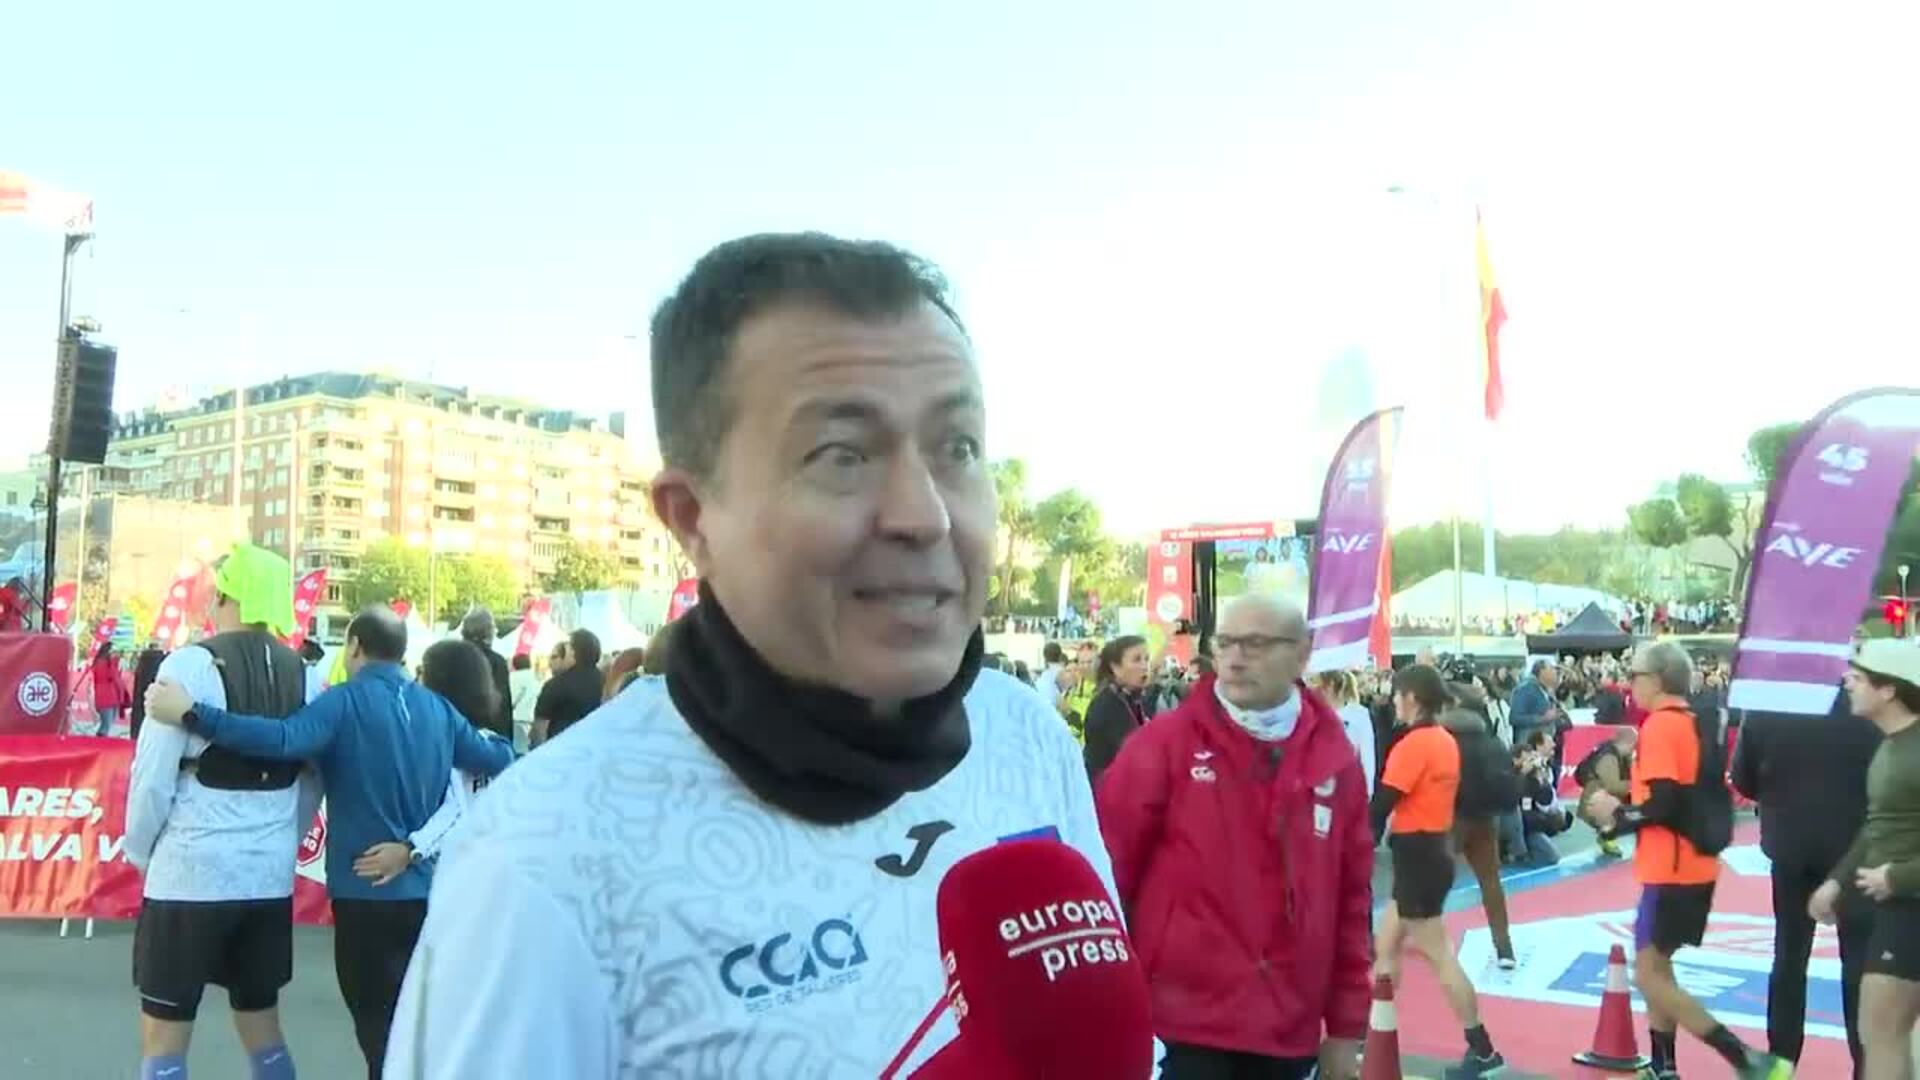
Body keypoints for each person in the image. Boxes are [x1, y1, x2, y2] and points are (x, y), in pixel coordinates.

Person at [383, 232, 1124, 1077]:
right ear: (693, 518)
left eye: (957, 447)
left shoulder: (1023, 736)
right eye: (843, 456)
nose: (925, 515)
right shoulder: (540, 857)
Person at [145, 606, 515, 1080]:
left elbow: (281, 738)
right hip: (426, 896)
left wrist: (194, 714)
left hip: (364, 895)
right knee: (419, 1029)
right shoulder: (438, 710)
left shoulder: (343, 702)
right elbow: (498, 757)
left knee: (378, 1032)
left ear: (354, 646)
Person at [1100, 594, 1371, 1079]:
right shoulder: (1163, 745)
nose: (1235, 658)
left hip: (1288, 1028)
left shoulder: (1335, 758)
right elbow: (1107, 874)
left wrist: (1346, 1029)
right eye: (1225, 643)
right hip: (1181, 1029)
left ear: (1302, 654)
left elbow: (1352, 901)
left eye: (1256, 644)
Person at [124, 544, 316, 1080]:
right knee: (263, 1026)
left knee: (165, 1036)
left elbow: (152, 776)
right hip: (266, 878)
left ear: (228, 597)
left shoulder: (188, 665)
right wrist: (283, 841)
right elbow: (312, 779)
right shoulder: (306, 675)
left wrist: (140, 850)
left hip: (189, 874)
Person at [1586, 641, 1790, 1079]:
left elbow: (1663, 804)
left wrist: (1616, 816)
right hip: (1689, 864)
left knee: (1648, 974)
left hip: (1671, 869)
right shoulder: (1688, 721)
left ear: (1658, 680)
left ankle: (1745, 1058)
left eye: (1635, 674)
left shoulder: (1662, 727)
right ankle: (1664, 1066)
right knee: (1659, 968)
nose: (1629, 684)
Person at [1735, 678, 1877, 1076]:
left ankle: (1781, 1062)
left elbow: (1743, 778)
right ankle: (1865, 1065)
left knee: (1788, 957)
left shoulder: (1770, 702)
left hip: (1791, 846)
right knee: (1858, 964)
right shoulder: (1867, 703)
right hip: (1856, 846)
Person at [1371, 666, 1506, 1079]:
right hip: (1431, 850)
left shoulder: (1414, 745)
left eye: (1398, 695)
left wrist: (1351, 843)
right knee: (1386, 946)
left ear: (1411, 697)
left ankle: (1482, 1048)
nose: (1394, 701)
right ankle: (1373, 1033)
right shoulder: (1444, 740)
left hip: (1419, 853)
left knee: (1438, 953)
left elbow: (1382, 804)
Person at [1813, 640, 1920, 1080]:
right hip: (1896, 907)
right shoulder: (1891, 746)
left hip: (1909, 909)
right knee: (1885, 1032)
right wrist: (1837, 882)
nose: (1846, 683)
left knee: (1881, 1030)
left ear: (1889, 689)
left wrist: (1899, 877)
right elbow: (1877, 826)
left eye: (1858, 677)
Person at [1081, 634, 1149, 786]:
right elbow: (1132, 753)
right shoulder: (1106, 704)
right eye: (1137, 660)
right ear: (1115, 668)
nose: (1144, 666)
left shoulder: (1134, 699)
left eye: (1146, 659)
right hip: (1106, 789)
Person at [1574, 725, 1638, 858]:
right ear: (1629, 742)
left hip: (1596, 798)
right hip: (1595, 801)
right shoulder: (1609, 757)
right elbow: (1612, 786)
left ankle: (1607, 833)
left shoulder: (1618, 754)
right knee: (1627, 806)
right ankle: (1607, 834)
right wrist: (1637, 783)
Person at [531, 627, 602, 746]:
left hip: (562, 749)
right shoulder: (607, 681)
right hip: (597, 748)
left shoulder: (557, 685)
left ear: (573, 652)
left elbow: (540, 728)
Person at [457, 609, 514, 742]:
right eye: (493, 627)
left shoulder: (449, 658)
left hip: (457, 733)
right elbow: (503, 707)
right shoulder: (496, 662)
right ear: (487, 631)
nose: (495, 631)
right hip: (488, 736)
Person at [90, 642, 129, 736]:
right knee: (106, 725)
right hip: (105, 697)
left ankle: (101, 740)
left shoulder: (110, 663)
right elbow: (109, 676)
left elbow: (116, 678)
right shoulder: (101, 662)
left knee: (109, 724)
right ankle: (100, 741)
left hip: (113, 696)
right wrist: (114, 662)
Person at [507, 653, 539, 752]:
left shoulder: (514, 677)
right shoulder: (536, 677)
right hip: (532, 720)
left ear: (514, 664)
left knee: (517, 750)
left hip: (516, 719)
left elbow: (511, 699)